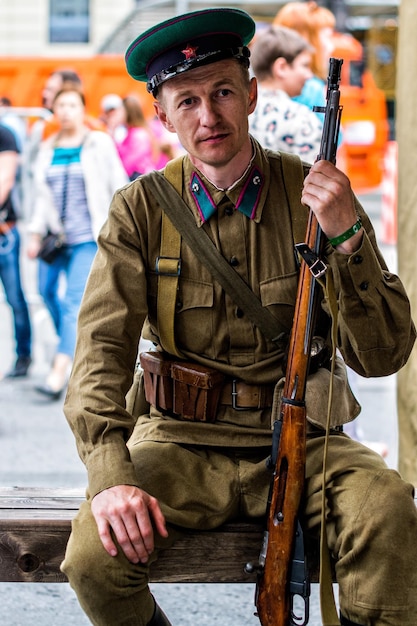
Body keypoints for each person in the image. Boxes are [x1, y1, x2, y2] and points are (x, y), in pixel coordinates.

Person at [60, 8, 417, 626]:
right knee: (93, 558)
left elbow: (383, 355)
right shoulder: (140, 212)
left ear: (251, 94)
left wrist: (349, 238)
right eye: (187, 100)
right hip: (179, 444)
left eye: (223, 91)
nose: (208, 116)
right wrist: (111, 477)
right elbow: (99, 357)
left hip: (306, 441)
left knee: (388, 513)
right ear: (161, 114)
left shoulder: (316, 196)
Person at [26, 84, 128, 399]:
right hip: (56, 239)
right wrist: (34, 232)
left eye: (72, 105)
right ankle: (70, 345)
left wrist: (122, 229)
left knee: (73, 300)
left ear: (83, 109)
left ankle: (59, 371)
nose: (66, 111)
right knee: (43, 292)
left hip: (89, 237)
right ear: (55, 111)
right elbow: (41, 198)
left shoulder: (98, 143)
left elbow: (119, 184)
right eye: (61, 106)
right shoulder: (47, 148)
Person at [249, 25, 323, 164]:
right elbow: (313, 180)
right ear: (281, 67)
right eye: (305, 65)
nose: (309, 75)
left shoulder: (238, 113)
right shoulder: (302, 119)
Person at [0, 123, 32, 379]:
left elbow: (6, 179)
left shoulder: (5, 133)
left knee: (15, 298)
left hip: (4, 231)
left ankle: (24, 355)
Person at [273, 1, 336, 119]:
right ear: (307, 41)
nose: (331, 46)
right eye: (327, 37)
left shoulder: (267, 83)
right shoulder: (310, 89)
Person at [115, 94, 168, 180]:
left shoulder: (139, 134)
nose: (117, 114)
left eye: (120, 110)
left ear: (128, 112)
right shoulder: (130, 133)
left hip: (140, 179)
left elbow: (129, 163)